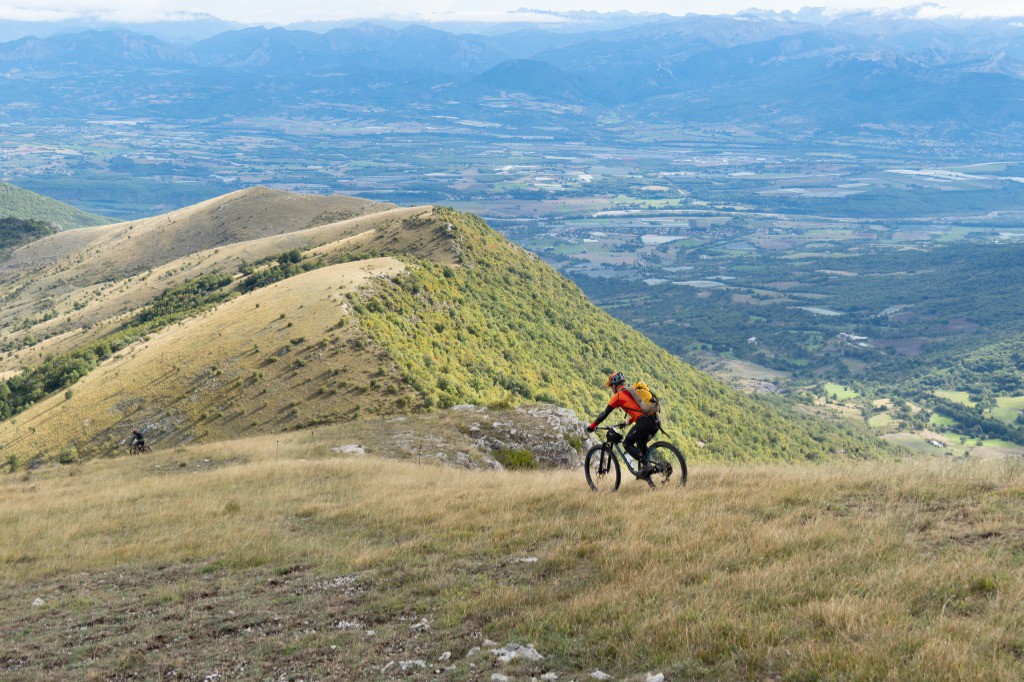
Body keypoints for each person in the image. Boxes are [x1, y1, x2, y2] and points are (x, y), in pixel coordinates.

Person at [586, 372, 660, 477]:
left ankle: (647, 465)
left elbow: (604, 413)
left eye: (611, 387)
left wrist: (592, 426)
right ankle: (650, 471)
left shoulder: (618, 396)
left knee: (627, 443)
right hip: (656, 421)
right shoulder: (631, 390)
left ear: (615, 385)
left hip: (645, 422)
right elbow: (638, 410)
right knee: (640, 443)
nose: (612, 390)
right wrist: (627, 422)